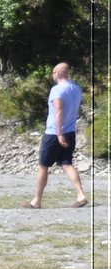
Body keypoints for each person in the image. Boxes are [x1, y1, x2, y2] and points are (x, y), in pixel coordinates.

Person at [24, 62, 88, 208]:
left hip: (54, 133)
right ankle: (81, 194)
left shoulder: (57, 90)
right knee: (66, 163)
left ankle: (36, 201)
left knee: (43, 166)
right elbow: (76, 109)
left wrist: (59, 134)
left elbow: (58, 111)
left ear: (58, 73)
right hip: (71, 131)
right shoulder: (76, 88)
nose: (52, 75)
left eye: (53, 72)